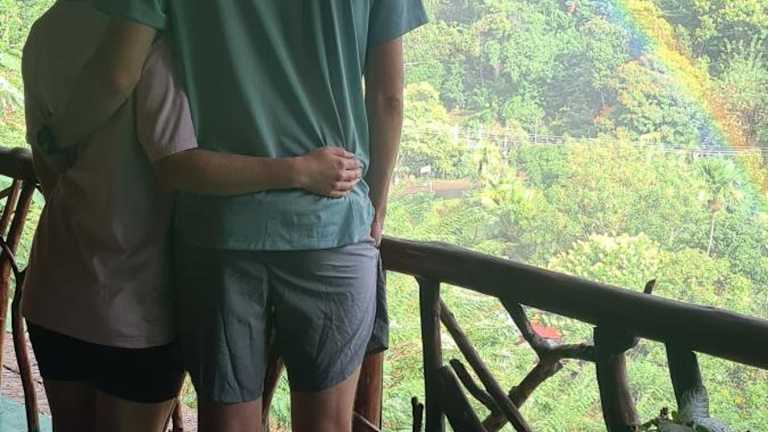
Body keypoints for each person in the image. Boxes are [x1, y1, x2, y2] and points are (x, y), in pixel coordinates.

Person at [42, 1, 428, 431]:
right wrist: (377, 203)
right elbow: (388, 97)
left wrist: (54, 139)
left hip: (218, 225)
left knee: (228, 424)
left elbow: (117, 71)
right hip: (332, 220)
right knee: (327, 424)